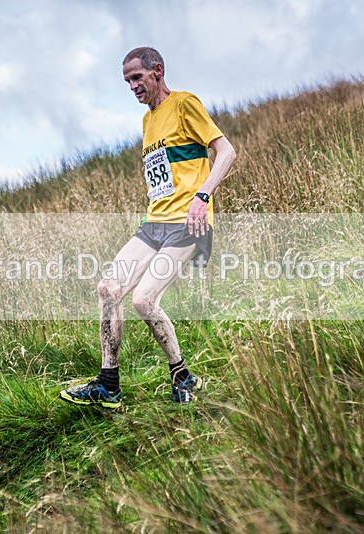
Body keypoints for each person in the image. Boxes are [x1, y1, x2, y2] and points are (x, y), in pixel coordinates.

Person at [59, 47, 236, 408]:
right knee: (109, 289)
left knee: (143, 300)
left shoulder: (184, 103)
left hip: (188, 222)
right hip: (155, 223)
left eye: (137, 77)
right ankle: (108, 385)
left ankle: (182, 377)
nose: (132, 86)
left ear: (157, 71)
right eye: (127, 81)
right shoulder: (147, 121)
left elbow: (227, 152)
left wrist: (202, 197)